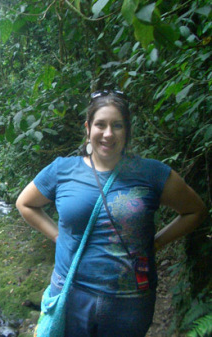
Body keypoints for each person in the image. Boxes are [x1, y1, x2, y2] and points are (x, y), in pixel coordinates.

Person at [15, 90, 208, 337]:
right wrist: (57, 236)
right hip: (71, 292)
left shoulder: (152, 173)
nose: (108, 134)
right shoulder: (62, 170)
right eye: (100, 124)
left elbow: (195, 211)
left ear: (127, 130)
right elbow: (25, 203)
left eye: (117, 125)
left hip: (129, 302)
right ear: (88, 128)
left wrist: (156, 243)